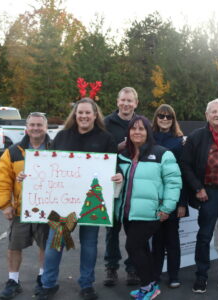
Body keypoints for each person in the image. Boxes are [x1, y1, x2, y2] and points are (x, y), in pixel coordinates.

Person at [37, 98, 123, 300]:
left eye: (87, 113)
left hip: (91, 203)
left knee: (89, 244)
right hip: (63, 202)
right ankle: (48, 284)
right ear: (74, 115)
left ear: (95, 115)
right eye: (80, 112)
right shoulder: (62, 136)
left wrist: (118, 175)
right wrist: (31, 175)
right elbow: (49, 166)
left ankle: (86, 284)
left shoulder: (106, 139)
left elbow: (113, 167)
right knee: (55, 244)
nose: (83, 116)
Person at [115, 115, 182, 299]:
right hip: (129, 213)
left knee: (132, 246)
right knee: (141, 248)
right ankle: (150, 285)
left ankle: (148, 286)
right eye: (133, 128)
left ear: (148, 131)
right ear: (128, 132)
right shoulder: (122, 155)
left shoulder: (162, 153)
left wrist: (167, 208)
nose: (137, 132)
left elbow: (173, 183)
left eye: (141, 129)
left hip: (151, 213)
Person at [181, 99, 218, 294]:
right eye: (213, 111)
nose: (217, 115)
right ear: (207, 115)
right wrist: (198, 188)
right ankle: (201, 276)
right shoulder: (197, 137)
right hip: (208, 193)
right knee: (205, 236)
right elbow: (186, 165)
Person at [0, 112, 52, 300]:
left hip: (48, 209)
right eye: (32, 125)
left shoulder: (57, 149)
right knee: (14, 245)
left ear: (46, 127)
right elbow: (3, 180)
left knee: (46, 246)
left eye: (39, 125)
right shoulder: (13, 151)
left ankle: (43, 278)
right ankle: (13, 280)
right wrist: (5, 205)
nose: (36, 128)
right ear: (26, 128)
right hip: (21, 209)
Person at [102, 87, 140, 287]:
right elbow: (99, 149)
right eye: (123, 100)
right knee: (112, 229)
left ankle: (132, 268)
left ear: (136, 103)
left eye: (130, 101)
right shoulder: (107, 123)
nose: (126, 104)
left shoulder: (141, 123)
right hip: (113, 182)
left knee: (133, 229)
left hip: (135, 182)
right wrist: (116, 148)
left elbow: (149, 146)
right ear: (118, 101)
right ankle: (111, 268)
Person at [150, 104, 188, 289]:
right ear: (156, 117)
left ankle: (174, 275)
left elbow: (183, 173)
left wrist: (182, 203)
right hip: (152, 197)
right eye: (161, 116)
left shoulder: (179, 141)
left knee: (172, 239)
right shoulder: (148, 139)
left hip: (173, 196)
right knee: (156, 240)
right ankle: (155, 275)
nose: (165, 119)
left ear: (173, 120)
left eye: (169, 116)